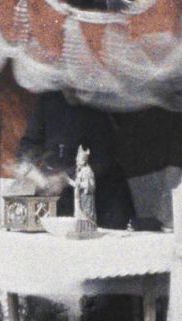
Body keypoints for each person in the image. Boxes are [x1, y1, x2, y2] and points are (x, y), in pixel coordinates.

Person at [15, 90, 135, 229]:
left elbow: (103, 156)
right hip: (59, 196)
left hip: (99, 194)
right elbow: (30, 142)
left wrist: (65, 178)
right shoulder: (48, 101)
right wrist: (26, 165)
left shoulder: (100, 103)